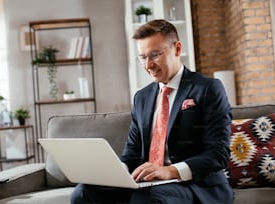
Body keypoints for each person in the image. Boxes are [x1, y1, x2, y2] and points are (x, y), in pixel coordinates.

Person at [71, 19, 233, 204]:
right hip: (147, 184)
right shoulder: (142, 97)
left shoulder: (208, 88)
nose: (148, 65)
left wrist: (169, 171)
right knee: (83, 193)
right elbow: (132, 151)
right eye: (142, 57)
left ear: (177, 49)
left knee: (145, 200)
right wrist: (117, 170)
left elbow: (218, 153)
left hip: (193, 184)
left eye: (155, 55)